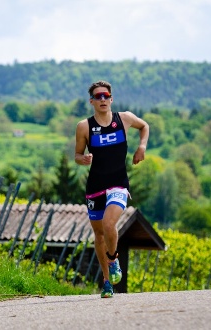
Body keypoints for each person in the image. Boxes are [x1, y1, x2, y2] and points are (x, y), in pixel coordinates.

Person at [74, 80, 149, 298]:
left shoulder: (124, 119)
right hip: (95, 187)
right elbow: (77, 155)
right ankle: (107, 282)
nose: (103, 99)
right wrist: (83, 158)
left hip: (118, 184)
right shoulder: (84, 127)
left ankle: (114, 259)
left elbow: (144, 126)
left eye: (106, 95)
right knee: (98, 235)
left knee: (109, 223)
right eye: (98, 96)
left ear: (111, 98)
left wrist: (141, 147)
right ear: (92, 101)